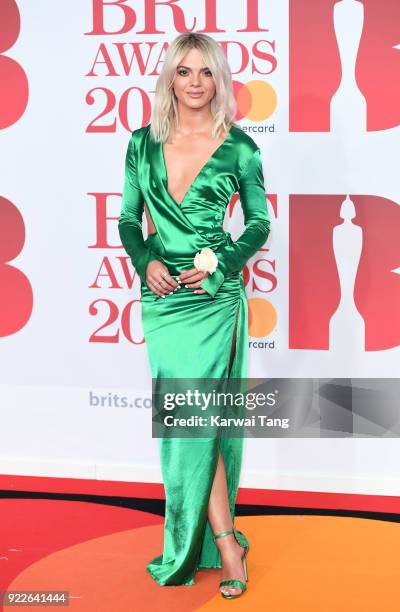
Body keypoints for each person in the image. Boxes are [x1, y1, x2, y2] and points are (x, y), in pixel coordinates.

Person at [118, 32, 270, 599]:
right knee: (187, 421)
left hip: (213, 297)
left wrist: (221, 265)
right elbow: (129, 220)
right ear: (170, 79)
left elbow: (257, 225)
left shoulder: (241, 149)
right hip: (163, 301)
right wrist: (145, 258)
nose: (196, 83)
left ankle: (223, 543)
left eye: (206, 72)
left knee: (200, 419)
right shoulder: (141, 144)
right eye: (184, 72)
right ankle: (218, 540)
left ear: (219, 80)